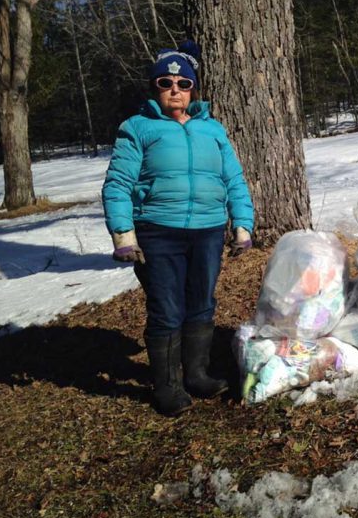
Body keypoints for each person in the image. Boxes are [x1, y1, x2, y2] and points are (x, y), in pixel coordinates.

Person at [102, 41, 254, 416]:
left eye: (183, 83)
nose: (175, 89)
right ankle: (167, 386)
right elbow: (118, 184)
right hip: (157, 232)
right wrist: (123, 234)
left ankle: (197, 375)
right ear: (154, 87)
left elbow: (233, 178)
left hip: (207, 230)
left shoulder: (212, 129)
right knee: (167, 309)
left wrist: (243, 223)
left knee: (201, 302)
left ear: (193, 88)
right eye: (165, 82)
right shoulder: (137, 128)